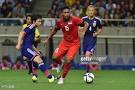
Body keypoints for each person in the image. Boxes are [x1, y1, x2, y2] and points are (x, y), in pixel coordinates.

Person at [45, 6, 84, 84]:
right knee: (54, 57)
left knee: (68, 60)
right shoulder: (59, 21)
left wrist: (83, 31)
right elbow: (55, 30)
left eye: (68, 12)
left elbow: (84, 23)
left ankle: (62, 78)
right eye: (65, 12)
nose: (66, 14)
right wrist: (48, 39)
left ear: (70, 13)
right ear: (62, 13)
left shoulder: (75, 19)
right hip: (65, 42)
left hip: (74, 43)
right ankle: (61, 63)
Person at [16, 15, 54, 83]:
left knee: (37, 59)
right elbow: (21, 33)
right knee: (39, 60)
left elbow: (31, 44)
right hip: (26, 49)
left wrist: (36, 51)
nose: (40, 23)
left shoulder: (34, 29)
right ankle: (50, 77)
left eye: (41, 21)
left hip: (28, 48)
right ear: (34, 21)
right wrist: (18, 44)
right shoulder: (32, 26)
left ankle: (35, 76)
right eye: (38, 21)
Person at [82, 5, 103, 72]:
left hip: (92, 39)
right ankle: (89, 69)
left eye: (92, 10)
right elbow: (79, 28)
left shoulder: (97, 20)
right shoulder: (83, 19)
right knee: (86, 56)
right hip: (85, 39)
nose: (91, 12)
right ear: (87, 11)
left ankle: (88, 72)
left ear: (94, 11)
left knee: (87, 55)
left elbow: (100, 29)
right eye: (89, 10)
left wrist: (96, 33)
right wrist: (81, 31)